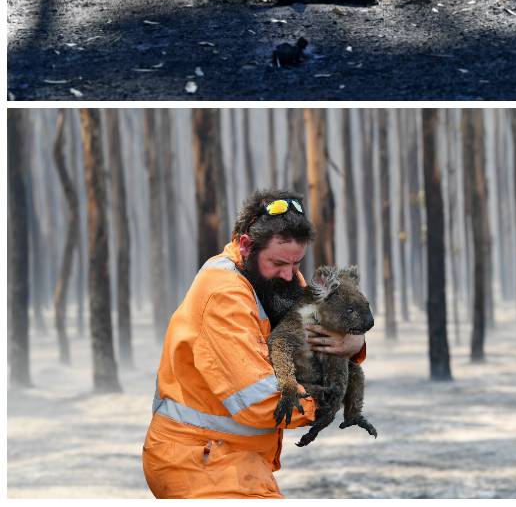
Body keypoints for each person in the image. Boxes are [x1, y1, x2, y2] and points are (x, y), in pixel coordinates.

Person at [142, 190, 367, 498]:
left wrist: (355, 342)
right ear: (247, 246)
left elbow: (321, 333)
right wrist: (327, 400)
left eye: (297, 263)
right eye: (279, 263)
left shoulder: (277, 277)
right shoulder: (224, 294)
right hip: (199, 461)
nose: (290, 274)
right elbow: (259, 400)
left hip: (235, 459)